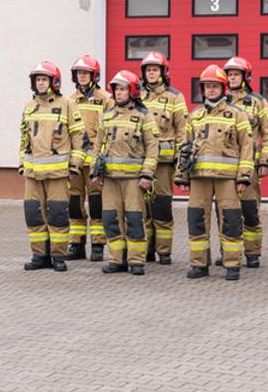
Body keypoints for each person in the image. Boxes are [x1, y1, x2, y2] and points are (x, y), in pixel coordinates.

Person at [179, 64, 255, 281]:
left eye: (214, 86)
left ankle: (232, 265)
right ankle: (199, 264)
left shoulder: (237, 115)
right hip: (199, 178)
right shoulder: (195, 115)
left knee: (231, 221)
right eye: (207, 87)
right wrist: (181, 176)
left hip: (228, 179)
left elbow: (247, 148)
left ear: (223, 88)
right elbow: (184, 147)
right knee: (196, 220)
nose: (211, 90)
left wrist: (244, 177)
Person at [91, 70, 159, 275]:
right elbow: (97, 147)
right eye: (116, 89)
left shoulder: (144, 116)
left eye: (123, 89)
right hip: (110, 179)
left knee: (135, 219)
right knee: (111, 219)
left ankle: (136, 261)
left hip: (133, 180)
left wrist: (147, 174)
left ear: (133, 91)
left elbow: (153, 147)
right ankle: (116, 260)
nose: (119, 93)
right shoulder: (107, 116)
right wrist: (96, 171)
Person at [19, 61, 79, 272]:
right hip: (33, 174)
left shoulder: (67, 104)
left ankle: (58, 256)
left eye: (44, 79)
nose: (41, 83)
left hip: (58, 173)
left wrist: (75, 165)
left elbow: (79, 136)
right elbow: (23, 138)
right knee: (33, 214)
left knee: (57, 215)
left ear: (54, 81)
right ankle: (39, 255)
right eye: (38, 80)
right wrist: (21, 164)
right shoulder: (29, 106)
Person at [224, 57, 268, 268]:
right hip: (225, 166)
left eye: (236, 74)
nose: (232, 78)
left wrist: (265, 161)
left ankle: (252, 253)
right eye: (229, 74)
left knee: (249, 210)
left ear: (245, 77)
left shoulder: (258, 101)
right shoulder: (221, 100)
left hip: (250, 166)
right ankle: (226, 252)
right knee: (226, 212)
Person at [139, 52, 187, 264]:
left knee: (162, 206)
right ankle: (147, 249)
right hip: (140, 163)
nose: (151, 73)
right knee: (143, 208)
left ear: (163, 72)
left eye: (155, 69)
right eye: (148, 70)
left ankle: (164, 251)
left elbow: (183, 131)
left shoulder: (174, 97)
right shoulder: (136, 95)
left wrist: (181, 165)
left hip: (164, 164)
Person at [65, 55, 109, 261]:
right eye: (79, 73)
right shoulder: (69, 101)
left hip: (94, 160)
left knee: (96, 201)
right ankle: (76, 243)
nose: (82, 77)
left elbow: (109, 130)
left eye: (86, 73)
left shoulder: (106, 99)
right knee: (74, 202)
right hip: (75, 160)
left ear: (94, 75)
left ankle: (98, 244)